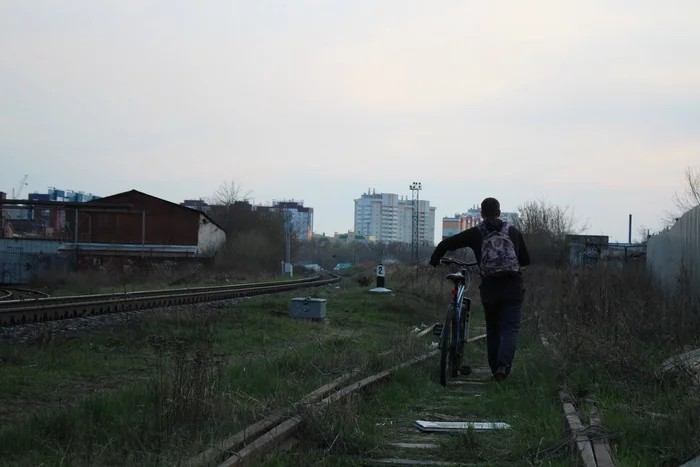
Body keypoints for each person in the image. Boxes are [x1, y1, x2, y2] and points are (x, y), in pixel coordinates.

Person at [429, 197, 531, 382]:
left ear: (482, 214)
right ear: (499, 213)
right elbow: (526, 260)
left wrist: (434, 261)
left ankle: (494, 370)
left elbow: (445, 244)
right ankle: (503, 367)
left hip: (490, 287)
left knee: (492, 329)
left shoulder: (476, 233)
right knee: (510, 329)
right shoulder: (513, 232)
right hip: (512, 287)